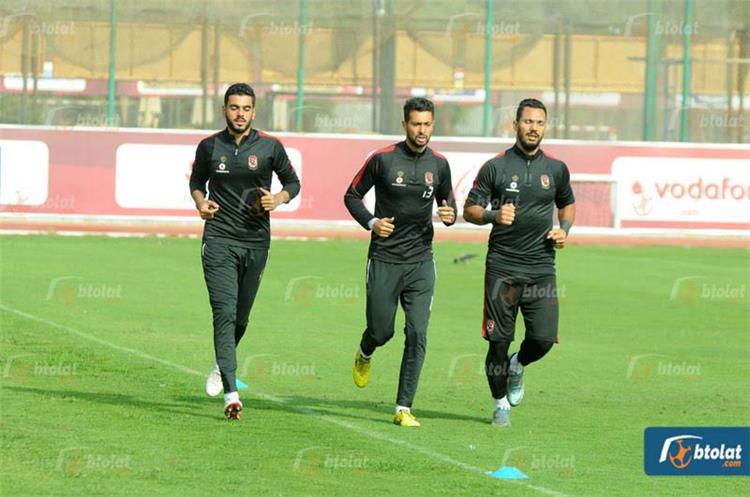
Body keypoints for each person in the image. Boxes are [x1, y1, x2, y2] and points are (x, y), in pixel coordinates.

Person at [189, 83, 300, 420]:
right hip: (219, 239)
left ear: (254, 112)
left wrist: (278, 199)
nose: (240, 114)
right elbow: (196, 183)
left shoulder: (269, 146)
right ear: (224, 110)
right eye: (234, 107)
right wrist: (200, 203)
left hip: (256, 242)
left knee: (240, 318)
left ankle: (221, 363)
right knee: (224, 311)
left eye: (246, 108)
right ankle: (231, 393)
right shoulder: (209, 146)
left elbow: (293, 183)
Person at [344, 97, 457, 427]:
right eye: (416, 124)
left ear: (433, 125)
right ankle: (365, 351)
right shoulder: (382, 159)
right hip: (384, 259)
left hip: (421, 261)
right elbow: (351, 195)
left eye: (427, 124)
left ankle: (403, 408)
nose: (422, 130)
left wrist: (450, 215)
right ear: (404, 124)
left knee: (418, 332)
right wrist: (372, 222)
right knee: (382, 331)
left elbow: (448, 203)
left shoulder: (440, 165)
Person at [463, 98, 576, 427]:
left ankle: (518, 364)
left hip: (541, 267)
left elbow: (567, 204)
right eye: (528, 122)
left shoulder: (556, 169)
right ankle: (500, 404)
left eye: (539, 123)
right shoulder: (495, 167)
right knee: (498, 342)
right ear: (515, 125)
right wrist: (493, 215)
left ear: (545, 126)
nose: (533, 128)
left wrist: (564, 229)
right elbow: (469, 210)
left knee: (543, 340)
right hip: (502, 267)